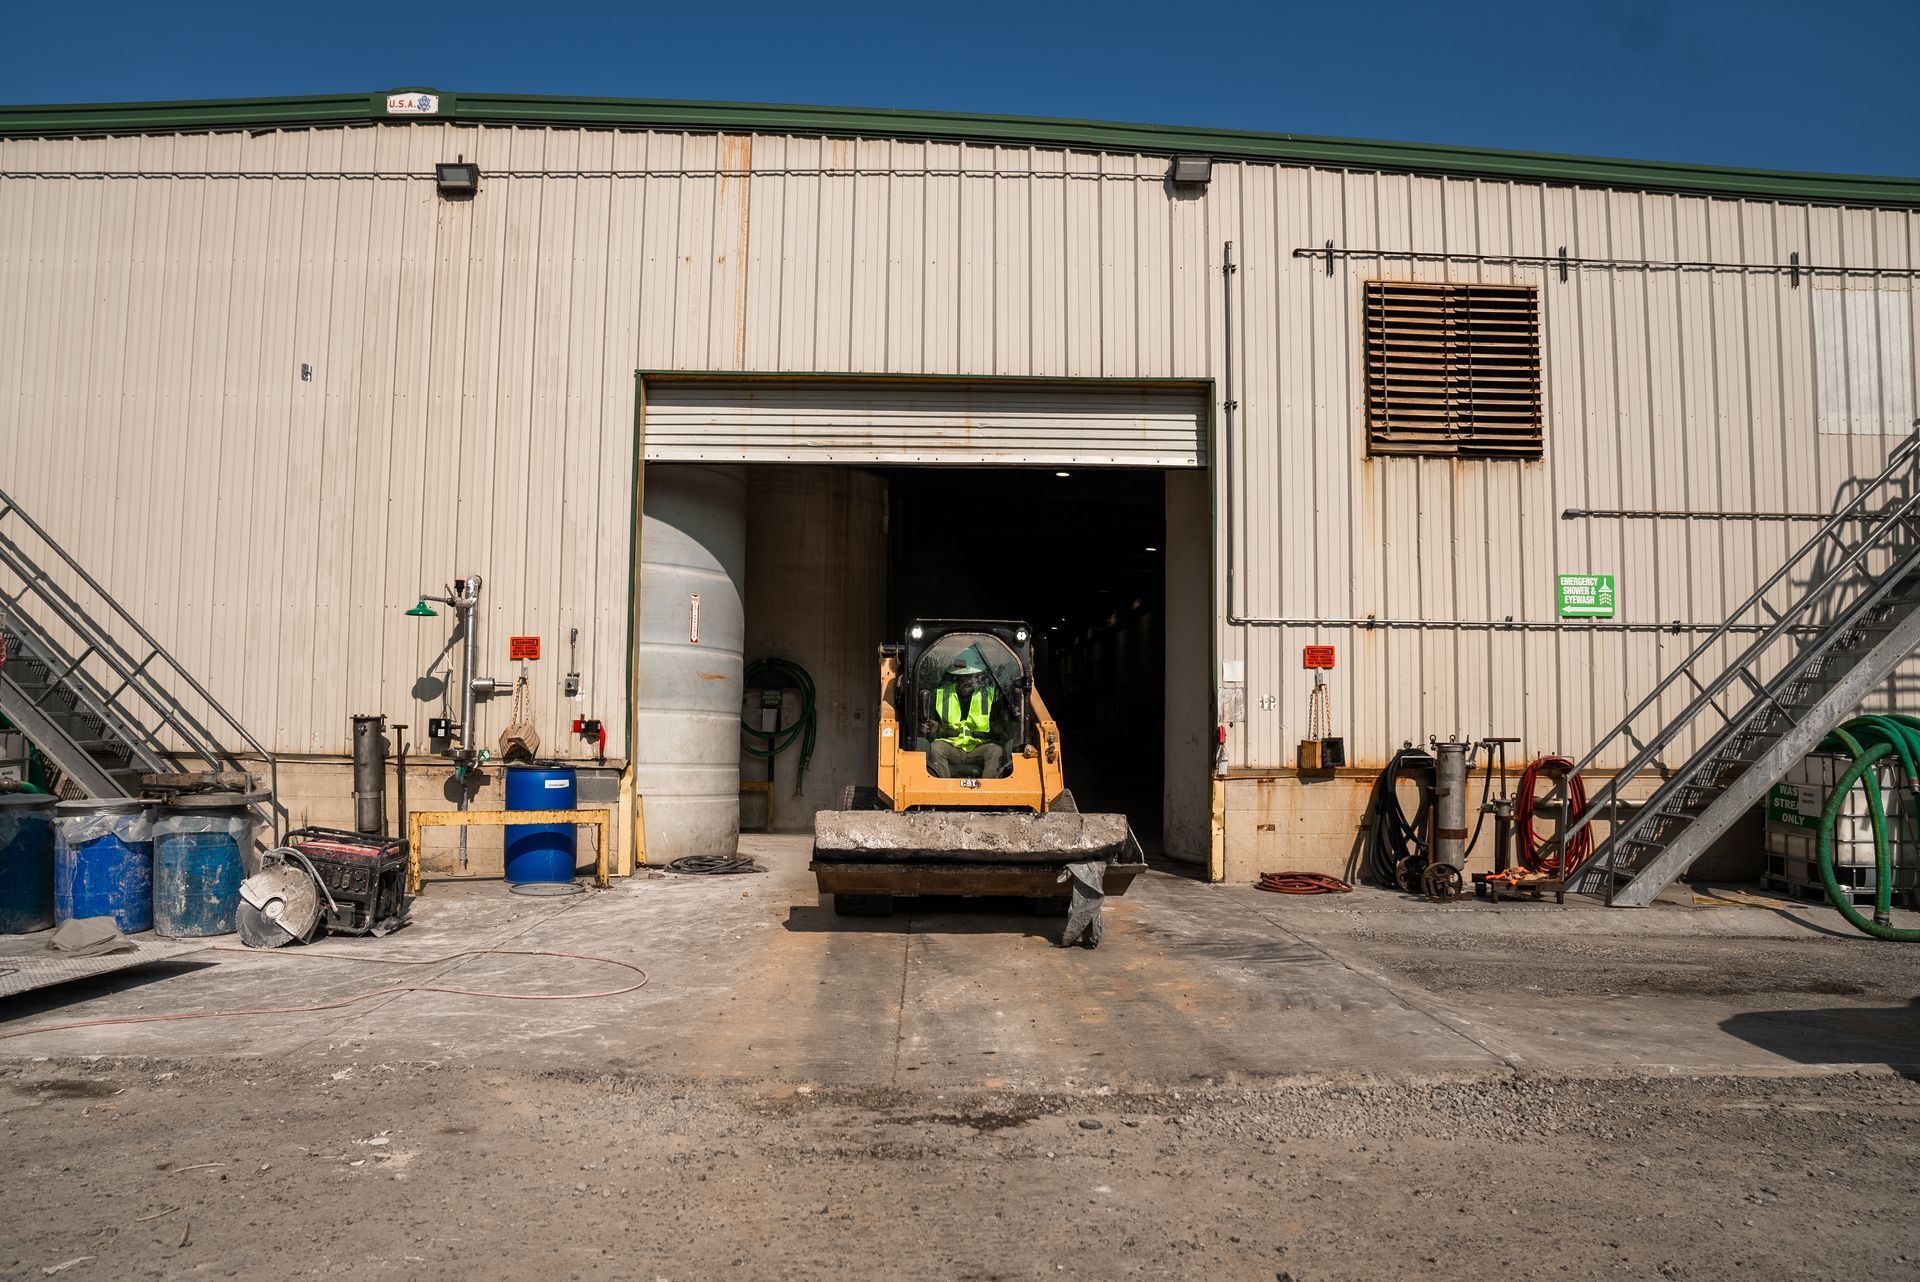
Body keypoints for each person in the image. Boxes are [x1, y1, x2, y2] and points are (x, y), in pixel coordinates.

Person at [926, 658, 1006, 778]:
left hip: (979, 747)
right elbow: (932, 725)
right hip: (952, 747)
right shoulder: (940, 695)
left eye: (971, 677)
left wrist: (996, 730)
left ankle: (988, 792)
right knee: (936, 748)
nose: (968, 681)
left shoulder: (989, 696)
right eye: (963, 677)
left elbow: (998, 728)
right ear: (955, 678)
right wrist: (932, 728)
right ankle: (944, 789)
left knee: (995, 751)